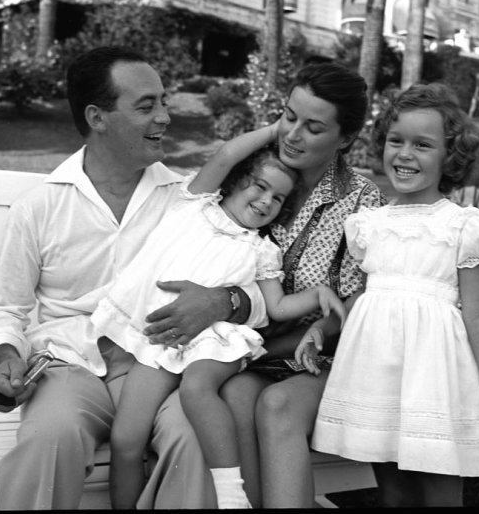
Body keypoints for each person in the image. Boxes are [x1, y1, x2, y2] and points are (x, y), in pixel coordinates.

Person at [0, 45, 268, 510]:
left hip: (164, 366)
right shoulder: (40, 207)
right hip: (71, 366)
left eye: (165, 102)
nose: (165, 117)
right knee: (50, 437)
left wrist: (224, 301)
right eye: (146, 105)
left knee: (196, 442)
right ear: (98, 117)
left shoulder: (188, 202)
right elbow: (3, 310)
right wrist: (6, 357)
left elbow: (250, 279)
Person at [148, 62, 384, 508]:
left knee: (273, 405)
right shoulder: (256, 178)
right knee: (235, 394)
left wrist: (312, 331)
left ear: (346, 138)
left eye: (313, 127)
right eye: (288, 116)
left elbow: (360, 298)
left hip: (318, 356)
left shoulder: (361, 202)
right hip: (243, 352)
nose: (293, 134)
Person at [91, 122, 347, 509]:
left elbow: (277, 307)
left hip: (214, 344)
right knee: (127, 440)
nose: (265, 201)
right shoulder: (194, 205)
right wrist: (281, 128)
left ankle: (231, 495)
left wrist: (317, 295)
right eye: (259, 186)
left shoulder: (262, 251)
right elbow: (227, 154)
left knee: (198, 388)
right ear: (236, 181)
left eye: (277, 199)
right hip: (160, 339)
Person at [307, 82, 479, 507]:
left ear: (449, 156)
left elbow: (477, 313)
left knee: (440, 489)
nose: (404, 154)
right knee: (392, 492)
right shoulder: (369, 224)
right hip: (376, 372)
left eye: (423, 145)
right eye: (395, 140)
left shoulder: (461, 225)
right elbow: (366, 296)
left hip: (434, 375)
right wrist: (324, 325)